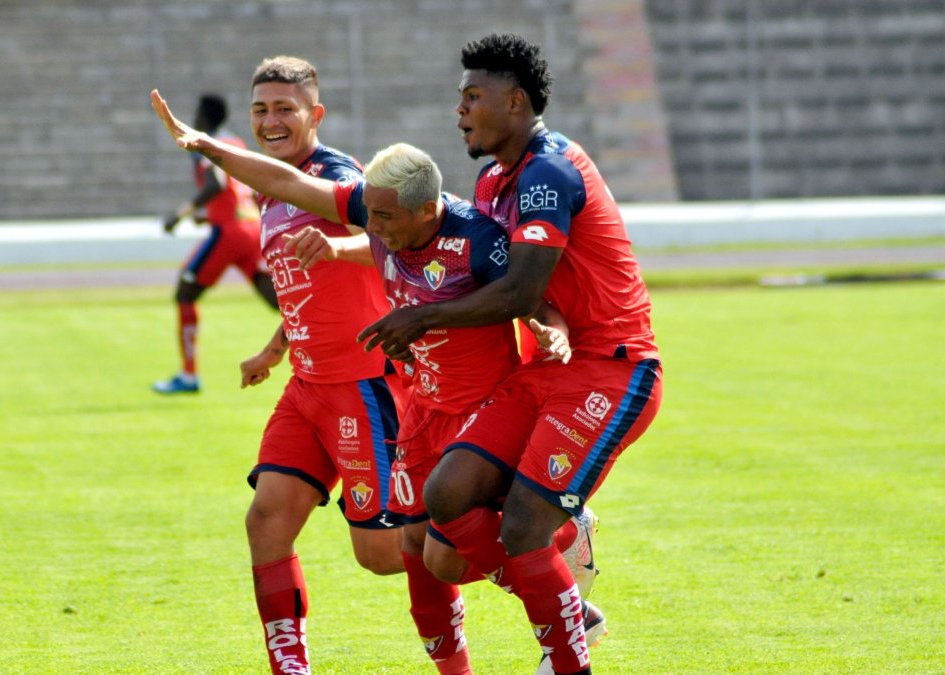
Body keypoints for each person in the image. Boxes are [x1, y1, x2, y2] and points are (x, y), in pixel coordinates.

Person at [151, 86, 605, 672]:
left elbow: (529, 293)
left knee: (430, 557)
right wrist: (205, 146)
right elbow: (291, 203)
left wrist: (553, 328)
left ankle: (563, 558)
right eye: (260, 109)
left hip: (437, 404)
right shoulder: (366, 212)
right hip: (386, 402)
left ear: (424, 209)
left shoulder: (468, 235)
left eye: (284, 108)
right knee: (367, 546)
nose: (375, 229)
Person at [358, 34, 664, 675]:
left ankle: (566, 655)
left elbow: (520, 288)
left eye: (474, 96)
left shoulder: (550, 172)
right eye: (460, 97)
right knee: (447, 496)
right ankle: (569, 575)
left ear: (516, 102)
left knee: (519, 524)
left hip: (612, 367)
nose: (461, 110)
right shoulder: (496, 177)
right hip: (547, 370)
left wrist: (421, 316)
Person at [152, 57, 405, 675]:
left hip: (364, 386)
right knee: (266, 521)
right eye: (261, 109)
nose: (271, 120)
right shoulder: (270, 190)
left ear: (314, 115)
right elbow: (304, 286)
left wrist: (340, 243)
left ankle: (534, 541)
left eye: (285, 108)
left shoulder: (337, 174)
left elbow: (391, 237)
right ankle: (291, 667)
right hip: (308, 387)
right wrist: (275, 348)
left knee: (381, 554)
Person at [152, 93, 279, 395]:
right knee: (280, 302)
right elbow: (236, 193)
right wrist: (207, 216)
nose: (194, 118)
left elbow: (216, 185)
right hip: (250, 228)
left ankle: (188, 375)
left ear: (205, 117)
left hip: (228, 235)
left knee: (185, 294)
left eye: (197, 112)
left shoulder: (205, 144)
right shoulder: (236, 142)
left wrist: (181, 214)